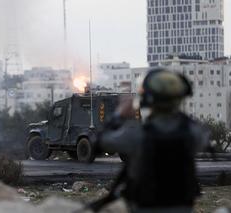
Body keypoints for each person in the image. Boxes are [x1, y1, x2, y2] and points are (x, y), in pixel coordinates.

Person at [90, 68, 210, 213]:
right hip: (183, 208)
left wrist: (119, 115)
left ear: (147, 98)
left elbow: (99, 143)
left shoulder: (136, 134)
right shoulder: (194, 133)